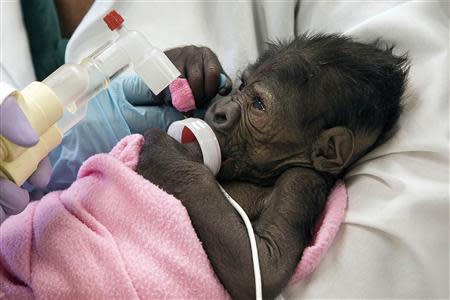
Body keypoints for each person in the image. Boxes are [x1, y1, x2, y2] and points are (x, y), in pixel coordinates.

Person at [1, 1, 448, 299]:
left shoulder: (299, 182)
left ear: (327, 150)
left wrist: (186, 179)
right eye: (244, 84)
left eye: (256, 104)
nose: (225, 110)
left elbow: (260, 275)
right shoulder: (244, 147)